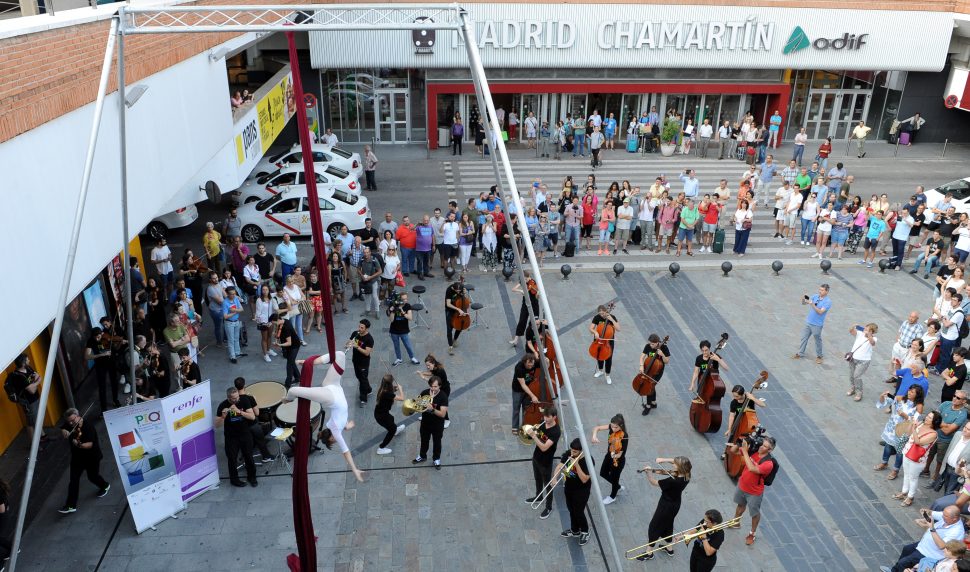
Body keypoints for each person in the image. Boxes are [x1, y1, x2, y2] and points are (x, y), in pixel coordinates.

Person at [285, 352, 365, 482]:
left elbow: (346, 452)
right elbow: (341, 422)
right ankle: (307, 362)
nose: (337, 440)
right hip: (334, 385)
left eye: (334, 441)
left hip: (329, 396)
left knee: (293, 391)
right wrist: (347, 426)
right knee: (340, 355)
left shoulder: (335, 430)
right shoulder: (338, 427)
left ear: (331, 437)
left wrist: (354, 469)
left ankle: (287, 399)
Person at [879, 505, 965, 572]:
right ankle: (896, 570)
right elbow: (934, 513)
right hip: (923, 545)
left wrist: (931, 528)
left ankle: (899, 569)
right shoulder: (947, 517)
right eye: (943, 514)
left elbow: (942, 546)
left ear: (954, 519)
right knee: (906, 549)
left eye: (945, 516)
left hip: (929, 553)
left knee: (903, 563)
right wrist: (927, 512)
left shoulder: (957, 531)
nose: (942, 516)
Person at [638, 456, 692, 560]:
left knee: (654, 526)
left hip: (666, 506)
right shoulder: (687, 474)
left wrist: (649, 473)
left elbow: (654, 482)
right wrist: (663, 460)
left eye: (675, 464)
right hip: (675, 504)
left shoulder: (672, 481)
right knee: (667, 524)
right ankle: (669, 548)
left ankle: (649, 552)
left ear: (680, 468)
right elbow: (673, 469)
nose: (673, 464)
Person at [58, 408, 110, 514]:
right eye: (69, 421)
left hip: (91, 457)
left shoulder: (88, 427)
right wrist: (64, 431)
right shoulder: (69, 423)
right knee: (73, 480)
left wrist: (78, 444)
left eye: (73, 420)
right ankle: (70, 505)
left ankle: (105, 485)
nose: (71, 423)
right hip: (77, 458)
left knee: (92, 477)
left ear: (78, 416)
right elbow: (63, 427)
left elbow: (89, 445)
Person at [732, 435, 776, 546]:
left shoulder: (768, 463)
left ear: (770, 450)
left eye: (765, 446)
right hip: (742, 485)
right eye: (762, 443)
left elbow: (752, 468)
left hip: (754, 492)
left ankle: (752, 533)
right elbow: (733, 451)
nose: (761, 447)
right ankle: (736, 522)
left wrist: (745, 451)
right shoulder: (754, 450)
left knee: (754, 513)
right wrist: (739, 443)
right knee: (740, 505)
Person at [877, 385, 924, 480]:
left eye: (912, 392)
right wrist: (882, 396)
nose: (909, 393)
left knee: (900, 451)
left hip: (903, 430)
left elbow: (916, 421)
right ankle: (884, 462)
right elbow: (884, 403)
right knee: (887, 446)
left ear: (917, 395)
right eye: (909, 390)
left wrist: (905, 416)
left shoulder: (919, 406)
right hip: (892, 427)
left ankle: (895, 470)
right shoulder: (900, 398)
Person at [895, 410, 941, 506]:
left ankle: (910, 497)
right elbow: (908, 433)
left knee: (913, 477)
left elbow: (918, 442)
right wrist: (912, 424)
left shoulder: (933, 434)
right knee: (906, 474)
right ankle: (904, 492)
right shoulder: (920, 424)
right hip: (907, 452)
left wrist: (915, 428)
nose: (927, 418)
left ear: (935, 422)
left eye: (930, 418)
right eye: (927, 416)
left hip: (917, 459)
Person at [215, 387, 258, 487]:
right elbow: (217, 425)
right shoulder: (223, 405)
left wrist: (239, 411)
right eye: (234, 398)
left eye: (237, 396)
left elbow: (252, 417)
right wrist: (223, 417)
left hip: (245, 434)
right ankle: (234, 480)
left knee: (248, 456)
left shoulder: (244, 400)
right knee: (232, 459)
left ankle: (252, 477)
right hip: (231, 437)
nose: (236, 399)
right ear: (229, 398)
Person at [524, 406, 561, 519]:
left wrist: (534, 436)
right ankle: (538, 497)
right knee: (537, 479)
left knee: (548, 485)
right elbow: (538, 438)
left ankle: (548, 507)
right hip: (536, 457)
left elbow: (544, 447)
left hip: (546, 461)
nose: (545, 418)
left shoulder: (555, 431)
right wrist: (532, 433)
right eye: (544, 416)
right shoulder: (542, 422)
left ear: (554, 417)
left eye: (548, 417)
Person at [558, 438, 592, 546]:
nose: (572, 453)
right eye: (571, 450)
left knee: (578, 511)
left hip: (581, 490)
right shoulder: (569, 453)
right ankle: (575, 530)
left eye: (575, 452)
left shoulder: (588, 461)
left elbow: (584, 479)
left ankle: (585, 531)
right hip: (569, 487)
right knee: (571, 509)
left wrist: (576, 464)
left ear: (582, 451)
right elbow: (561, 466)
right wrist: (555, 478)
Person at [590, 414, 629, 505]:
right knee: (603, 473)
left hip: (617, 461)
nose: (613, 429)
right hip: (609, 456)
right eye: (612, 426)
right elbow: (597, 428)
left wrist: (614, 454)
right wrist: (594, 436)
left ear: (621, 426)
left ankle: (612, 496)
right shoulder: (612, 427)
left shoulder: (624, 436)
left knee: (615, 479)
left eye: (615, 427)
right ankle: (617, 486)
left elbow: (620, 454)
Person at [412, 375, 448, 470]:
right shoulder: (424, 393)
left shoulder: (443, 397)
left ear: (439, 386)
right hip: (425, 423)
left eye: (435, 386)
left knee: (437, 442)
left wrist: (432, 409)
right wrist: (415, 405)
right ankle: (422, 456)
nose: (433, 388)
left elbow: (442, 414)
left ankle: (436, 459)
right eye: (431, 386)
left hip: (437, 425)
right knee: (424, 441)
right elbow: (418, 405)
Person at [7, 354, 44, 443]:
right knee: (30, 423)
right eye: (27, 360)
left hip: (34, 398)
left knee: (37, 418)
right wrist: (37, 382)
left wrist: (34, 383)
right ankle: (33, 444)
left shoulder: (28, 368)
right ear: (23, 363)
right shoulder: (19, 376)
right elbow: (32, 390)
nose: (29, 361)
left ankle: (43, 436)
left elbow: (38, 376)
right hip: (28, 402)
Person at [794, 284, 832, 364]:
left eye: (822, 290)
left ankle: (819, 356)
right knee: (804, 338)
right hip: (809, 322)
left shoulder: (828, 301)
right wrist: (803, 298)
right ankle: (800, 353)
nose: (820, 291)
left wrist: (812, 304)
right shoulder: (815, 296)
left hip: (817, 324)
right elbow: (804, 303)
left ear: (827, 291)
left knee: (817, 340)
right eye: (819, 289)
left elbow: (820, 312)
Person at [929, 419, 970, 495]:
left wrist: (964, 470)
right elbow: (949, 449)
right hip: (947, 467)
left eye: (968, 429)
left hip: (957, 472)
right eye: (965, 427)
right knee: (945, 487)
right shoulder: (958, 434)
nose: (965, 430)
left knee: (949, 493)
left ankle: (945, 505)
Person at [85, 327, 120, 412]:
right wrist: (101, 355)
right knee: (102, 386)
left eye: (99, 336)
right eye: (96, 337)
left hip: (111, 362)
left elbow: (116, 347)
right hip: (100, 364)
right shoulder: (91, 341)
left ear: (101, 334)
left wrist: (117, 344)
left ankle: (115, 400)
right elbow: (87, 356)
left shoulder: (107, 337)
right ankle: (103, 408)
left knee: (114, 382)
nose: (97, 339)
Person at [638, 334, 670, 415]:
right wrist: (641, 366)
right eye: (650, 343)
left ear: (657, 343)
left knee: (650, 386)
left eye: (652, 344)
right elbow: (642, 357)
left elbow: (667, 361)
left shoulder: (664, 348)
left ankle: (648, 406)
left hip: (658, 371)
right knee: (652, 386)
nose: (651, 345)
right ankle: (654, 402)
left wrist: (662, 354)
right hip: (648, 368)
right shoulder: (648, 346)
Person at [374, 374, 406, 455]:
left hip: (381, 413)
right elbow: (402, 398)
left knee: (391, 419)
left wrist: (395, 388)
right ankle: (381, 448)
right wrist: (401, 389)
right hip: (382, 416)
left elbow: (390, 392)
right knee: (391, 430)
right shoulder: (387, 393)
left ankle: (396, 430)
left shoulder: (383, 389)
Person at [846, 323, 878, 402]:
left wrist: (869, 335)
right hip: (853, 358)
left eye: (867, 329)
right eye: (865, 328)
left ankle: (859, 392)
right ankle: (852, 388)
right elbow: (850, 331)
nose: (864, 330)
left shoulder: (874, 338)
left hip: (864, 361)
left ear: (871, 331)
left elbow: (872, 343)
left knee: (857, 376)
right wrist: (853, 326)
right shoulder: (860, 334)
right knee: (851, 375)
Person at [589, 304, 619, 384]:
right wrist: (595, 332)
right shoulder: (597, 318)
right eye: (600, 314)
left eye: (603, 313)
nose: (602, 315)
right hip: (599, 340)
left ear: (606, 311)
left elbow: (618, 329)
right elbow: (591, 328)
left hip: (608, 342)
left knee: (609, 358)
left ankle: (608, 375)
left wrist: (612, 320)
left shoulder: (612, 317)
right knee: (599, 355)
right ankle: (600, 370)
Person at [347, 319, 374, 406]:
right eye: (359, 326)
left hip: (364, 363)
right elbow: (348, 342)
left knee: (362, 380)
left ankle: (363, 399)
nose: (359, 329)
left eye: (362, 328)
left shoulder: (369, 339)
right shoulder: (355, 333)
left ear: (367, 329)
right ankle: (369, 389)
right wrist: (348, 344)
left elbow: (367, 352)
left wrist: (357, 346)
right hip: (355, 360)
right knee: (360, 377)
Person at [511, 354, 541, 434]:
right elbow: (523, 385)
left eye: (532, 365)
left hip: (530, 388)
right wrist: (533, 396)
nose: (530, 367)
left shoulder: (534, 363)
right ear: (524, 362)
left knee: (526, 409)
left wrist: (546, 360)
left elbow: (546, 363)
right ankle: (515, 427)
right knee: (516, 409)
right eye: (528, 365)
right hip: (518, 390)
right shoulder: (519, 368)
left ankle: (525, 426)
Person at [272, 313, 301, 388]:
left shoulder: (286, 327)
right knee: (291, 361)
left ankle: (287, 385)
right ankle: (298, 377)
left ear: (278, 320)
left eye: (274, 323)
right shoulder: (284, 321)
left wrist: (279, 345)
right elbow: (278, 333)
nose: (274, 324)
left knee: (289, 365)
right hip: (290, 347)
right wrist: (276, 336)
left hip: (294, 346)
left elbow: (289, 343)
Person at [444, 279, 468, 355]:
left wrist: (464, 293)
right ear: (454, 288)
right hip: (450, 310)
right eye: (457, 291)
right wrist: (458, 309)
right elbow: (448, 304)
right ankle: (450, 346)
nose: (458, 292)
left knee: (460, 326)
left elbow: (464, 299)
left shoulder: (461, 288)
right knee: (449, 328)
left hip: (459, 310)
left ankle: (455, 339)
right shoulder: (449, 290)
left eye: (459, 291)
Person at [222, 286, 245, 364]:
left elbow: (242, 309)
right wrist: (235, 312)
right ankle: (232, 356)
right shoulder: (225, 302)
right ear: (228, 294)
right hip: (229, 323)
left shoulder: (235, 299)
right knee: (231, 340)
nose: (233, 295)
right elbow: (225, 316)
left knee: (236, 338)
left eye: (234, 293)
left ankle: (237, 352)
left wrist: (234, 310)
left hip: (236, 321)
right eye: (231, 294)